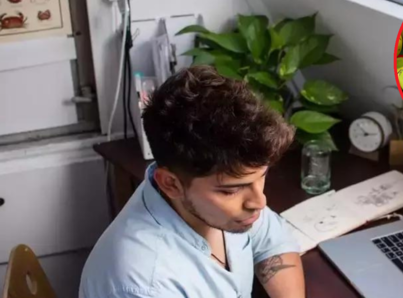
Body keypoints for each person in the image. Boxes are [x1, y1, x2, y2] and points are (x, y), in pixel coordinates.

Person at [79, 66, 305, 298]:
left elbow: (273, 242)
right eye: (231, 190)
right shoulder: (144, 285)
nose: (259, 201)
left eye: (262, 176)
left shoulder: (231, 199)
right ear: (171, 184)